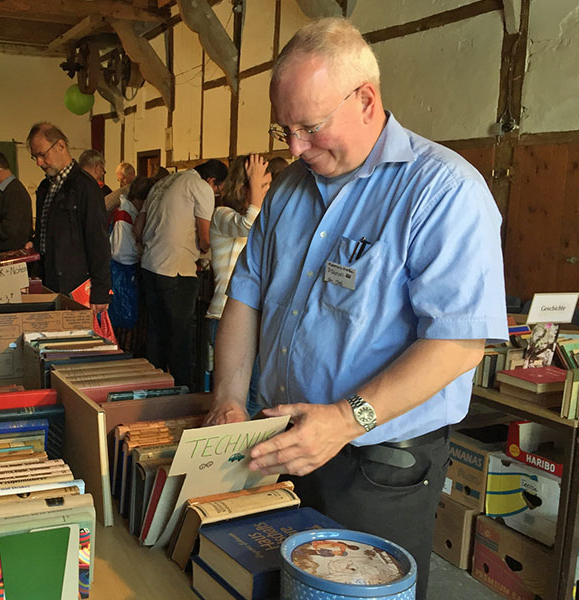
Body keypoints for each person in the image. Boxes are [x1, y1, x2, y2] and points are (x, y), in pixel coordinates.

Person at [204, 18, 507, 600]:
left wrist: (345, 420)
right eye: (285, 128)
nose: (294, 147)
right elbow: (244, 297)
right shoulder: (290, 190)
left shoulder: (442, 191)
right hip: (275, 442)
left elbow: (459, 342)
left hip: (378, 466)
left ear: (366, 99)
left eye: (310, 127)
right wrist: (229, 400)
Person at [136, 159, 228, 388]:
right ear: (212, 181)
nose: (216, 194)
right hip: (176, 270)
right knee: (180, 336)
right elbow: (205, 239)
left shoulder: (164, 182)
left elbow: (138, 228)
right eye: (218, 190)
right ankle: (181, 390)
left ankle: (154, 387)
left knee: (156, 332)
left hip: (149, 266)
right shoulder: (201, 187)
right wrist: (211, 252)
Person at [207, 154, 270, 415]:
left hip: (254, 318)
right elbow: (248, 226)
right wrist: (256, 185)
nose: (267, 193)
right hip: (224, 316)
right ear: (243, 188)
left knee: (257, 396)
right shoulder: (222, 214)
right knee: (238, 403)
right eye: (262, 187)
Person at [26, 122, 111, 314]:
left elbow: (98, 241)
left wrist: (100, 290)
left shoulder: (85, 187)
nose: (39, 162)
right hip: (48, 281)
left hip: (75, 285)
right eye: (35, 157)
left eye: (42, 154)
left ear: (61, 146)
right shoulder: (45, 187)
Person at [109, 176, 154, 353]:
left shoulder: (128, 213)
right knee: (126, 324)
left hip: (128, 275)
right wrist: (145, 252)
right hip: (125, 276)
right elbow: (120, 252)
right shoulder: (124, 216)